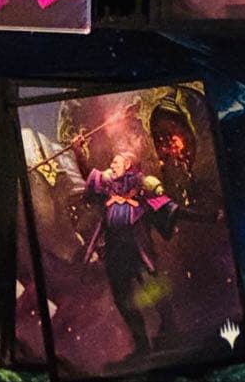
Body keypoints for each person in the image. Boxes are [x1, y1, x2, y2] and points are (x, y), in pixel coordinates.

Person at [74, 147, 178, 359]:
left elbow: (172, 209)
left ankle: (171, 333)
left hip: (138, 252)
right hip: (115, 254)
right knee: (122, 300)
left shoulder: (143, 188)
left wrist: (210, 217)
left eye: (116, 162)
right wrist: (78, 152)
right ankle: (142, 345)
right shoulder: (108, 188)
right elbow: (90, 176)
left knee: (155, 294)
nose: (111, 165)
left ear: (128, 165)